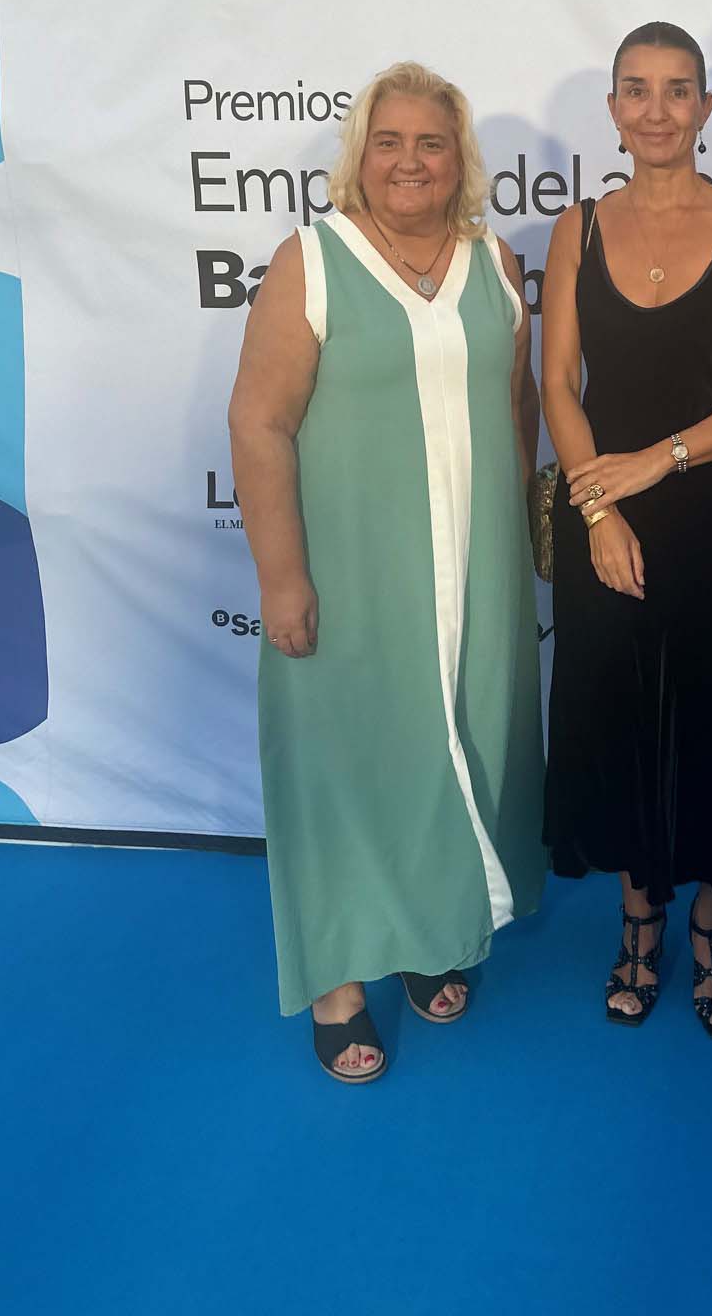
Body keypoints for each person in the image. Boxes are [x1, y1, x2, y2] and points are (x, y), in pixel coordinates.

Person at [228, 60, 546, 1083]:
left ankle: (428, 933)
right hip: (351, 571)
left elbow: (517, 404)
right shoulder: (310, 261)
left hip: (476, 574)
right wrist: (283, 577)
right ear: (360, 156)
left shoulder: (492, 260)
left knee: (454, 747)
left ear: (462, 161)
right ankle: (338, 983)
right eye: (390, 141)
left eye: (432, 142)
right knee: (342, 769)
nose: (411, 161)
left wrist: (524, 532)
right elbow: (260, 422)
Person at [541, 21, 712, 1039]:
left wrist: (659, 460)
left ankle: (710, 928)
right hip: (602, 518)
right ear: (613, 109)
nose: (657, 109)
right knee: (617, 726)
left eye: (677, 90)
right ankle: (638, 919)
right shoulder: (578, 230)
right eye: (636, 90)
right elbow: (558, 382)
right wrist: (600, 507)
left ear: (703, 109)